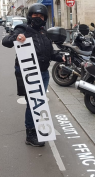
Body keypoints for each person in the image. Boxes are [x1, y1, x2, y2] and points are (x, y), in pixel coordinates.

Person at [2, 3, 65, 147]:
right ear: (30, 16)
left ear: (45, 18)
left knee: (39, 103)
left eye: (41, 16)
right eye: (35, 15)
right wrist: (17, 37)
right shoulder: (23, 29)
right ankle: (30, 134)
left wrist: (59, 56)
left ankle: (38, 128)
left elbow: (49, 53)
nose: (38, 18)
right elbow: (6, 41)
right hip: (29, 73)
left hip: (43, 73)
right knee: (33, 103)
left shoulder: (44, 33)